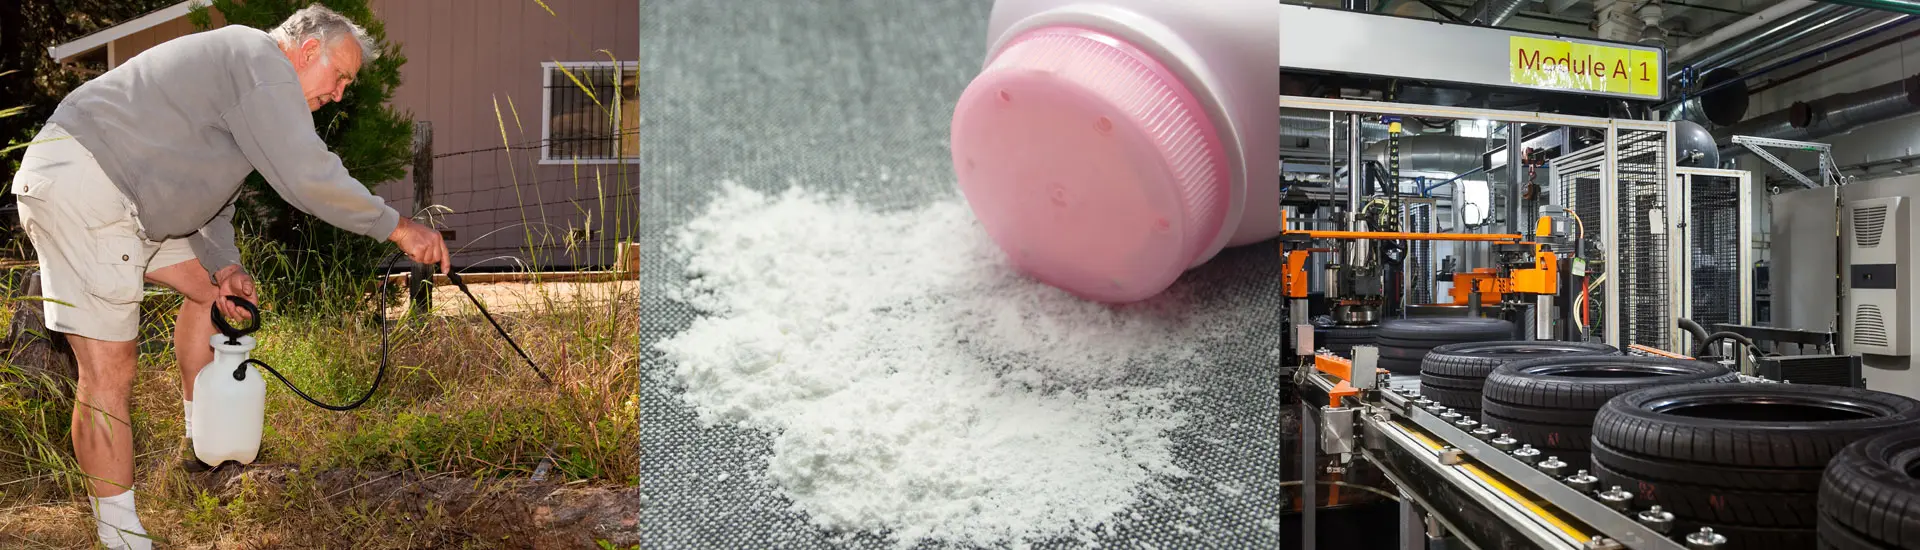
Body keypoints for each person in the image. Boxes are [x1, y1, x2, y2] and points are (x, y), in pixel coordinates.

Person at [8, 5, 448, 549]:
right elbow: (307, 177)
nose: (339, 95)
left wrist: (226, 266)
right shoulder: (256, 59)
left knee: (214, 294)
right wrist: (397, 227)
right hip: (87, 181)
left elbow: (213, 201)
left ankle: (204, 450)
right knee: (109, 370)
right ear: (309, 51)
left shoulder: (246, 80)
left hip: (130, 195)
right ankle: (120, 534)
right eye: (340, 78)